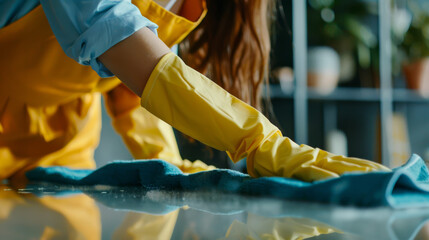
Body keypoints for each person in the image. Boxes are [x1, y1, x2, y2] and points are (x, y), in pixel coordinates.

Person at [0, 0, 389, 184]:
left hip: (62, 137)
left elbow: (128, 80)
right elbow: (112, 32)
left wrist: (167, 163)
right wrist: (259, 143)